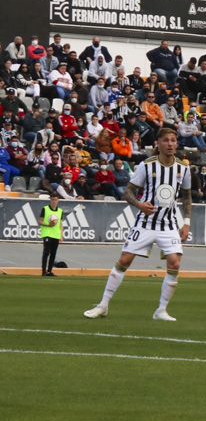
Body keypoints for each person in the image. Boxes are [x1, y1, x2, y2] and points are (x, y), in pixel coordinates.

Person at [83, 128, 193, 322]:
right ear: (158, 144)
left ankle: (161, 310)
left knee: (175, 263)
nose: (170, 144)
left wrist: (186, 223)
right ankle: (103, 305)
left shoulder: (183, 169)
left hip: (168, 225)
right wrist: (139, 204)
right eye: (166, 140)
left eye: (173, 141)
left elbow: (187, 197)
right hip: (145, 223)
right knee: (124, 260)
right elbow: (127, 193)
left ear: (177, 144)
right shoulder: (146, 166)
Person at [39, 193, 64, 277]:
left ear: (58, 200)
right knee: (46, 252)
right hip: (47, 233)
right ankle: (43, 271)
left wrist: (61, 235)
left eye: (55, 200)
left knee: (53, 253)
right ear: (50, 200)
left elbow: (60, 223)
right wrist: (48, 225)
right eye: (52, 199)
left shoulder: (60, 211)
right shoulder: (45, 209)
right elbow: (40, 221)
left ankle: (49, 271)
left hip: (55, 234)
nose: (54, 201)